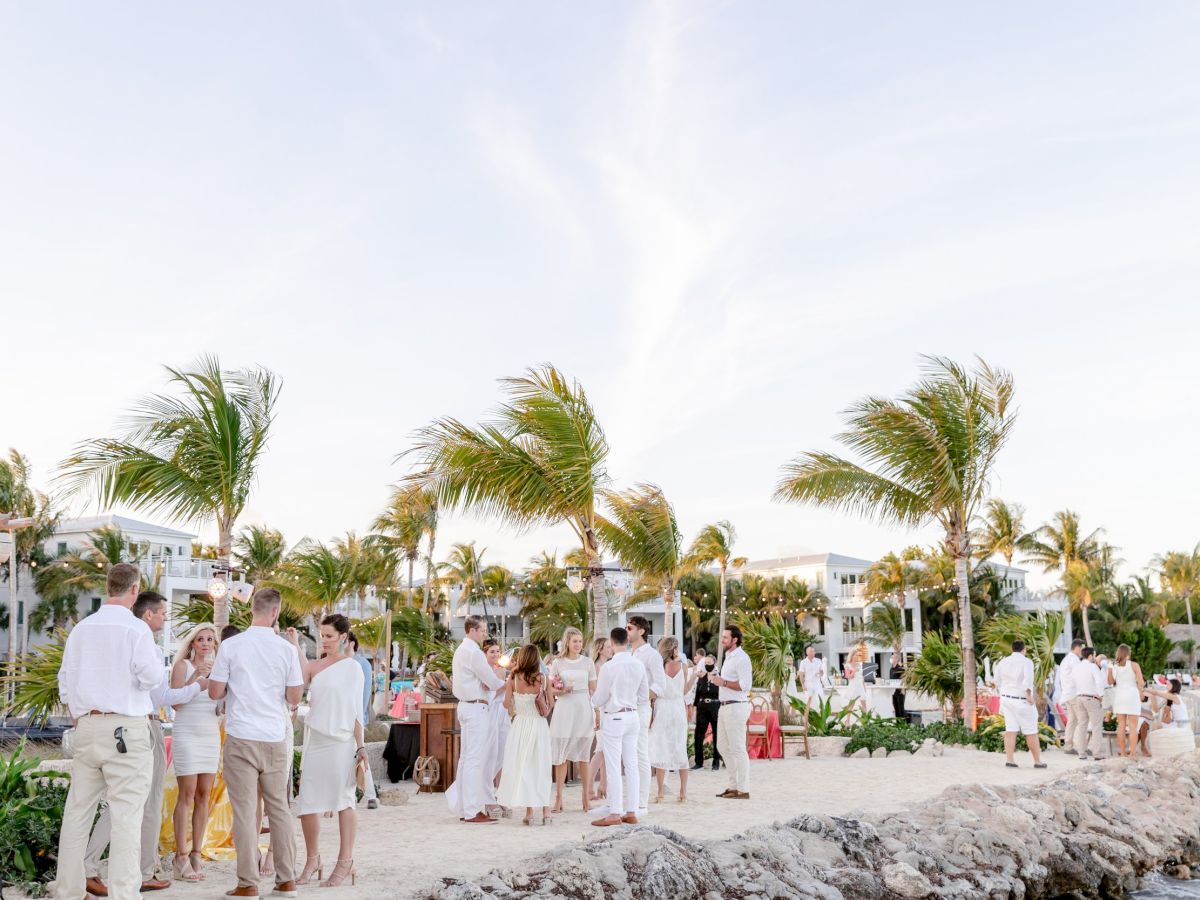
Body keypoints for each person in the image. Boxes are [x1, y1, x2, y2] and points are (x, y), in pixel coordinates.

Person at [81, 590, 205, 897]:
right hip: (143, 725)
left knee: (125, 801)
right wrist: (196, 687)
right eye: (163, 613)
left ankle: (100, 866)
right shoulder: (142, 639)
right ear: (148, 614)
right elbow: (160, 696)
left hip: (109, 725)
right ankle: (132, 870)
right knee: (144, 802)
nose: (165, 618)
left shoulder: (115, 637)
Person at [57, 567, 169, 900]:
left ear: (109, 587)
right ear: (134, 590)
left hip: (88, 725)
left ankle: (68, 891)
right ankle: (124, 894)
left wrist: (79, 713)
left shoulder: (82, 628)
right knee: (126, 817)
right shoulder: (136, 629)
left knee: (78, 812)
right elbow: (150, 678)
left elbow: (66, 682)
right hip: (126, 728)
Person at [208, 588, 305, 898]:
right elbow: (294, 697)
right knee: (279, 809)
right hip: (274, 737)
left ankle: (248, 882)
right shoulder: (286, 650)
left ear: (253, 609)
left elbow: (214, 692)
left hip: (241, 736)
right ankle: (286, 878)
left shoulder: (231, 645)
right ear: (275, 612)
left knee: (245, 812)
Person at [288, 614, 365, 888]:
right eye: (322, 635)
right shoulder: (314, 666)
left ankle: (345, 861)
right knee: (307, 803)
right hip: (316, 742)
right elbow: (296, 680)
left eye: (330, 636)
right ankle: (313, 859)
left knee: (344, 801)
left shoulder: (353, 668)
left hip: (342, 743)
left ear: (343, 637)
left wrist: (362, 746)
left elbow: (358, 711)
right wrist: (296, 643)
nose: (325, 641)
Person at [168, 623, 222, 883]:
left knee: (204, 796)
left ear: (214, 644)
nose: (204, 643)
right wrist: (196, 679)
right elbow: (176, 702)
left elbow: (220, 705)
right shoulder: (182, 667)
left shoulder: (220, 669)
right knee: (186, 794)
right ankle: (180, 856)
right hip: (187, 732)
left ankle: (196, 854)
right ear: (192, 643)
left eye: (209, 639)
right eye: (200, 639)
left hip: (210, 734)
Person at [447, 615, 506, 824]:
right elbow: (491, 681)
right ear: (472, 630)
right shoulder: (473, 652)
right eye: (482, 630)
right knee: (475, 759)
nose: (484, 634)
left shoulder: (461, 650)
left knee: (466, 759)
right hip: (475, 708)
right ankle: (472, 810)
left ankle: (465, 808)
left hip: (465, 706)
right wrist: (506, 681)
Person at [590, 627, 648, 827]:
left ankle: (615, 812)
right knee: (631, 765)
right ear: (627, 642)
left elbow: (600, 697)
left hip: (614, 718)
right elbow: (643, 695)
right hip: (633, 716)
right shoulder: (638, 665)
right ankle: (631, 811)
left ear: (613, 644)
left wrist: (592, 701)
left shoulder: (609, 666)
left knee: (614, 766)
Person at [496, 644, 555, 825]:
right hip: (538, 726)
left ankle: (529, 813)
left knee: (525, 768)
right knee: (542, 767)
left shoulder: (513, 678)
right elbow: (551, 704)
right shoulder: (543, 679)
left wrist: (517, 705)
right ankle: (546, 812)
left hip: (520, 726)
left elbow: (506, 705)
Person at [548, 627, 597, 813]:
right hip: (564, 708)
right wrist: (562, 691)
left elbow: (594, 689)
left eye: (580, 640)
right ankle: (559, 799)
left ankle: (585, 798)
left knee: (584, 755)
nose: (578, 644)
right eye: (575, 641)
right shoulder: (558, 663)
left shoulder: (588, 662)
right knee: (562, 756)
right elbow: (550, 689)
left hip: (583, 707)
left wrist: (598, 711)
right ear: (567, 642)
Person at [648, 636, 694, 803]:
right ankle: (683, 792)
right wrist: (695, 677)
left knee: (661, 748)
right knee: (680, 747)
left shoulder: (659, 667)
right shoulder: (683, 666)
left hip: (663, 708)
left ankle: (660, 792)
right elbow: (685, 690)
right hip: (677, 708)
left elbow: (654, 689)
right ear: (674, 648)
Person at [626, 615, 664, 815]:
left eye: (630, 628)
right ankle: (632, 800)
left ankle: (642, 803)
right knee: (629, 755)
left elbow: (660, 684)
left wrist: (641, 696)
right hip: (626, 709)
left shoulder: (652, 655)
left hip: (641, 708)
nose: (627, 631)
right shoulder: (628, 654)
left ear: (641, 631)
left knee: (641, 753)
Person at [710, 625, 752, 800]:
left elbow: (745, 686)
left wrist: (723, 683)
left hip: (736, 706)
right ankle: (734, 785)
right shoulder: (728, 657)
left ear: (735, 639)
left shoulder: (742, 658)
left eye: (726, 637)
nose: (722, 640)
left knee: (737, 748)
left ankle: (743, 789)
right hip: (725, 706)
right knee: (722, 746)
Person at [993, 639, 1046, 769]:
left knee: (1010, 730)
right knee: (1031, 731)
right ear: (1024, 649)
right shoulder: (1026, 662)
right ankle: (1037, 761)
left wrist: (1004, 692)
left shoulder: (1003, 662)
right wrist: (1029, 696)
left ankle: (1010, 760)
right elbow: (1028, 680)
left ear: (1012, 649)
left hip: (1006, 699)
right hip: (1021, 700)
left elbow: (997, 681)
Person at [347, 632, 379, 810]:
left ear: (351, 642)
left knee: (361, 754)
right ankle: (366, 794)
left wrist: (361, 716)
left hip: (357, 717)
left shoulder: (362, 664)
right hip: (342, 718)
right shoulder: (340, 662)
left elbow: (364, 694)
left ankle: (370, 794)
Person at [481, 639, 511, 794]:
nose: (496, 654)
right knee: (490, 750)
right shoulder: (483, 670)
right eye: (492, 651)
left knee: (503, 751)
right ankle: (486, 788)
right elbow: (490, 693)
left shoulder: (501, 670)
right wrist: (505, 686)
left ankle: (501, 791)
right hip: (490, 710)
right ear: (485, 653)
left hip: (502, 711)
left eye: (497, 651)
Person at [1108, 643, 1146, 758]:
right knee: (1133, 726)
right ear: (1128, 654)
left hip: (1119, 696)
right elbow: (1141, 682)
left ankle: (1123, 752)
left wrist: (1110, 669)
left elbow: (1110, 682)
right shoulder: (1134, 665)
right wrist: (1141, 690)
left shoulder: (1114, 666)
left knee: (1121, 726)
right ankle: (1133, 753)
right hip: (1132, 696)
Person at [586, 637, 612, 802]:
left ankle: (603, 786)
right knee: (601, 749)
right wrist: (596, 712)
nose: (611, 649)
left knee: (605, 750)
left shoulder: (607, 666)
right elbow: (594, 693)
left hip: (607, 709)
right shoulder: (596, 667)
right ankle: (588, 788)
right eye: (608, 647)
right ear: (600, 649)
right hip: (599, 710)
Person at [1071, 646, 1107, 759]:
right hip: (1091, 698)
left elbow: (1073, 682)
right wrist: (1101, 696)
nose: (1094, 657)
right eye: (1094, 655)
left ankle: (1081, 753)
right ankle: (1097, 753)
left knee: (1082, 726)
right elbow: (1099, 682)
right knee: (1096, 726)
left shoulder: (1076, 667)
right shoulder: (1092, 667)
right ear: (1090, 656)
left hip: (1079, 697)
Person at [691, 653, 721, 771]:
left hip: (715, 707)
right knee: (698, 735)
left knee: (716, 735)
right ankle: (699, 762)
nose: (707, 665)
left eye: (709, 663)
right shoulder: (701, 677)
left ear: (714, 663)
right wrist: (694, 707)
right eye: (705, 663)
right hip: (702, 708)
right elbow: (697, 694)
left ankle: (716, 761)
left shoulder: (719, 677)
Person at [1056, 640, 1084, 754]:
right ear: (1077, 648)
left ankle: (1068, 746)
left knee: (1072, 721)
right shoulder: (1074, 659)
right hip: (1073, 694)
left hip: (1067, 694)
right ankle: (1080, 747)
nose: (1083, 651)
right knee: (1081, 720)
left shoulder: (1066, 659)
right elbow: (1079, 676)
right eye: (1082, 648)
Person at [843, 643, 869, 717]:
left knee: (864, 705)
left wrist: (864, 687)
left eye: (858, 655)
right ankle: (847, 722)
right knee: (851, 705)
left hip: (860, 686)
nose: (857, 656)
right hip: (853, 686)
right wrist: (854, 671)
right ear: (852, 655)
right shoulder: (847, 665)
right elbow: (848, 677)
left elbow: (862, 677)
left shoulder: (860, 664)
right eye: (856, 655)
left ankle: (866, 721)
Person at [684, 648, 705, 723]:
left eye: (696, 655)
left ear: (699, 655)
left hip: (697, 692)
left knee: (693, 712)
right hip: (691, 692)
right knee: (690, 711)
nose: (695, 657)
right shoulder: (693, 669)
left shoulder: (702, 665)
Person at [889, 652, 907, 719]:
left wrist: (903, 689)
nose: (891, 659)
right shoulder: (891, 669)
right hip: (893, 691)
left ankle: (904, 724)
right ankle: (898, 724)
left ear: (896, 659)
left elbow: (905, 678)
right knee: (895, 708)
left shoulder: (900, 669)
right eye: (891, 657)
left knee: (901, 708)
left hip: (900, 691)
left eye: (892, 657)